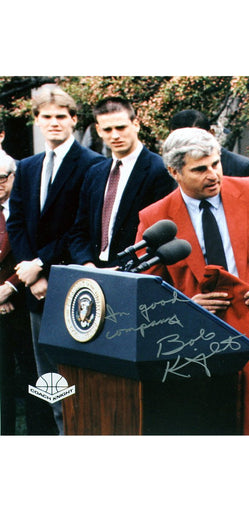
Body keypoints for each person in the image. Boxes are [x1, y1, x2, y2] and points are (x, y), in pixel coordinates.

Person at [135, 127, 249, 435]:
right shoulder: (155, 217)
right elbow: (148, 286)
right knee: (213, 423)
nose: (213, 175)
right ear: (174, 171)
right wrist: (186, 306)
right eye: (199, 169)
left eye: (215, 164)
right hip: (197, 338)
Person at [6, 85, 104, 434]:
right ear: (37, 121)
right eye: (46, 117)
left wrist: (42, 266)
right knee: (47, 379)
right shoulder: (28, 167)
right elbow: (15, 222)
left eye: (61, 117)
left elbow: (83, 227)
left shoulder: (94, 164)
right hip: (36, 290)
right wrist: (30, 272)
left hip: (75, 285)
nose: (54, 123)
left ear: (74, 120)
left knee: (80, 374)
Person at [69, 97, 176, 268]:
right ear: (98, 130)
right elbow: (79, 230)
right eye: (108, 129)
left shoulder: (159, 170)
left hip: (134, 272)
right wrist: (87, 264)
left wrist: (124, 268)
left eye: (121, 127)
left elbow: (160, 234)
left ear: (136, 124)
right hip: (93, 271)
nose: (115, 135)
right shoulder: (94, 173)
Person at [0, 154, 55, 434]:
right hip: (1, 309)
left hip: (26, 302)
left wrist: (9, 288)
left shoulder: (25, 208)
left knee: (36, 379)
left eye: (1, 179)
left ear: (13, 177)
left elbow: (30, 250)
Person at [169, 109, 249, 178]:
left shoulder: (246, 169)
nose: (185, 147)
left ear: (211, 134)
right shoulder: (174, 172)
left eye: (191, 140)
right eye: (177, 141)